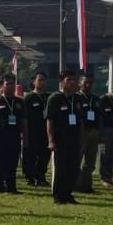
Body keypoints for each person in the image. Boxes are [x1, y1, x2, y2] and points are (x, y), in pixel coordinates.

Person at [46, 70, 83, 205]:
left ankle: (68, 194)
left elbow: (81, 121)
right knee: (60, 168)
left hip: (74, 139)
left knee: (72, 168)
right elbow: (50, 120)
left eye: (74, 79)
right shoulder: (55, 98)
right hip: (60, 139)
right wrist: (51, 140)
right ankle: (58, 195)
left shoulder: (78, 99)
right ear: (61, 82)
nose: (72, 82)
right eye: (69, 80)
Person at [0, 74, 24, 194]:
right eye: (7, 84)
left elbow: (24, 120)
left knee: (12, 162)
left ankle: (11, 186)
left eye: (12, 83)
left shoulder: (19, 102)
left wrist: (25, 136)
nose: (10, 86)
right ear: (2, 85)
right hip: (0, 136)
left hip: (15, 136)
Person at [74, 74, 102, 194]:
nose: (88, 85)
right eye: (85, 82)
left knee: (90, 161)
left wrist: (100, 132)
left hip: (94, 131)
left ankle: (87, 184)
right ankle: (76, 183)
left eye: (90, 83)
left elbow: (100, 116)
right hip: (81, 132)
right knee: (77, 159)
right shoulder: (76, 97)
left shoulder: (96, 98)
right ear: (79, 83)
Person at [22, 72, 51, 187]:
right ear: (34, 81)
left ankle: (40, 177)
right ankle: (29, 177)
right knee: (30, 156)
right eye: (40, 80)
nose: (42, 82)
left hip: (46, 132)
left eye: (44, 80)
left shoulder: (49, 97)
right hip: (32, 132)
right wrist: (24, 134)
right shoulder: (28, 98)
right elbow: (24, 118)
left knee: (44, 156)